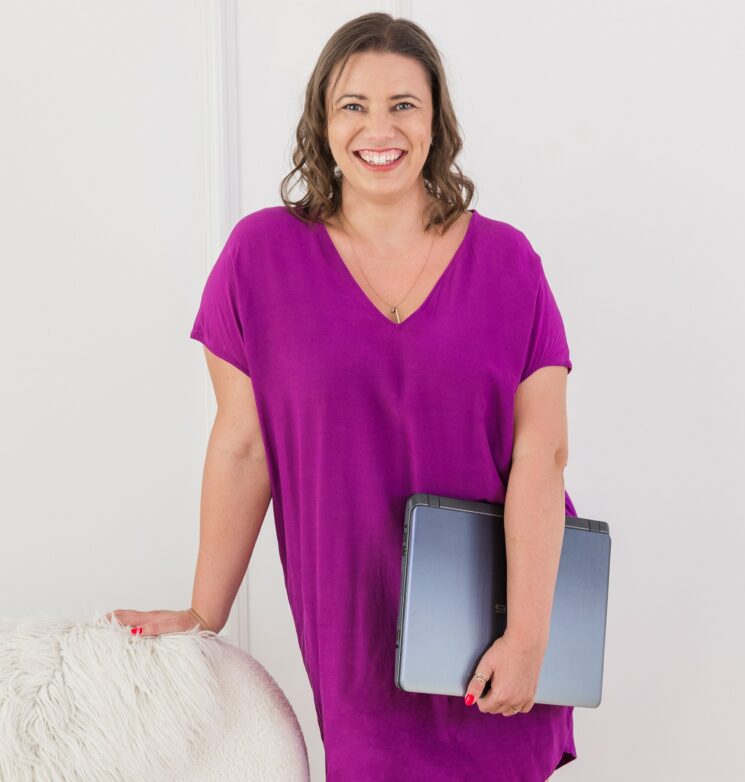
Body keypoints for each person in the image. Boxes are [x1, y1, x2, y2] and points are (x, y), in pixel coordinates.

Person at [107, 12, 578, 781]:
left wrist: (527, 637)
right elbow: (244, 442)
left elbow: (544, 451)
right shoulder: (260, 257)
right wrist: (204, 612)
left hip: (495, 619)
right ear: (322, 124)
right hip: (356, 631)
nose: (379, 128)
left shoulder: (508, 262)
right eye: (352, 105)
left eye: (404, 104)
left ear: (436, 122)